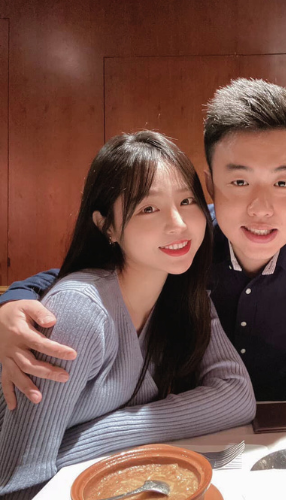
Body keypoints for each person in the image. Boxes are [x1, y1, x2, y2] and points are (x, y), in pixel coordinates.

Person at [0, 78, 286, 403]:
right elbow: (88, 277)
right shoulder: (183, 240)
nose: (261, 209)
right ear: (210, 184)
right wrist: (10, 306)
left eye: (281, 182)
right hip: (197, 410)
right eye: (240, 181)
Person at [0, 131, 255, 499]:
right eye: (148, 208)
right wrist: (118, 443)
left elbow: (237, 396)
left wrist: (112, 435)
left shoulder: (185, 295)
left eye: (187, 201)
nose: (179, 223)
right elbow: (18, 481)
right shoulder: (79, 311)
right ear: (107, 226)